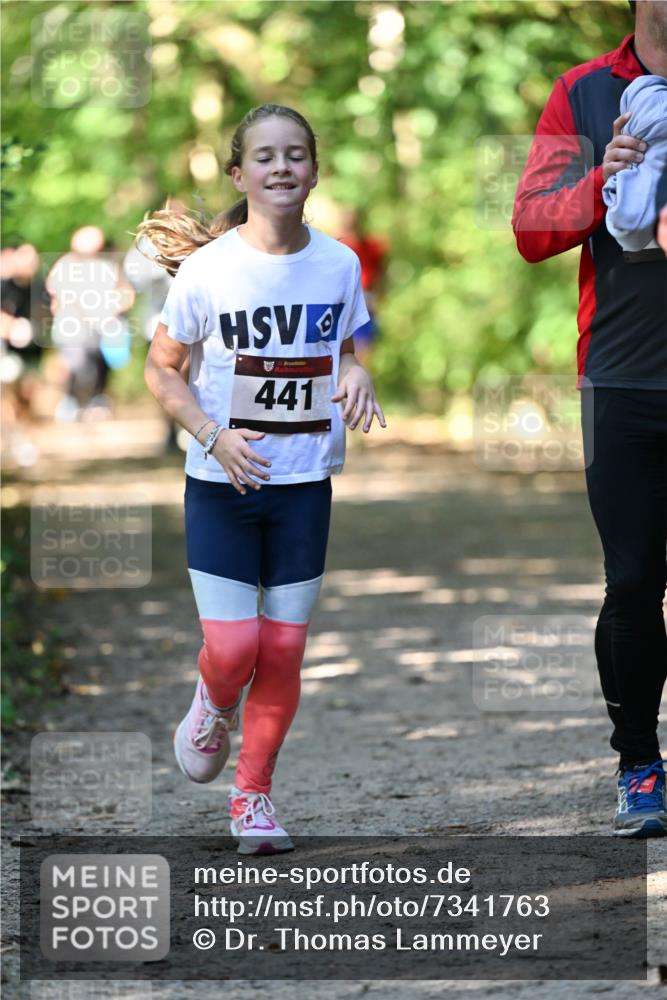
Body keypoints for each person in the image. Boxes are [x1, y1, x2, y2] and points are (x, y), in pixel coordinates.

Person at [140, 104, 386, 855]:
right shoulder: (209, 271)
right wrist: (212, 436)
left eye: (296, 155)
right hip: (222, 485)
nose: (282, 168)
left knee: (281, 651)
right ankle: (211, 704)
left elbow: (341, 349)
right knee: (234, 647)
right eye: (266, 156)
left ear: (313, 170)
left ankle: (252, 798)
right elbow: (162, 368)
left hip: (305, 481)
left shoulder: (339, 264)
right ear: (238, 172)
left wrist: (355, 373)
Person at [513, 0, 667, 838]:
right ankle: (638, 767)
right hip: (620, 377)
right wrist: (601, 178)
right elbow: (531, 227)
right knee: (636, 579)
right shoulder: (581, 93)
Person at [337, 207, 388, 366]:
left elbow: (382, 275)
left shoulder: (373, 246)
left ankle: (357, 385)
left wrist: (377, 299)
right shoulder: (336, 246)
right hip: (342, 302)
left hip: (366, 302)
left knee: (363, 352)